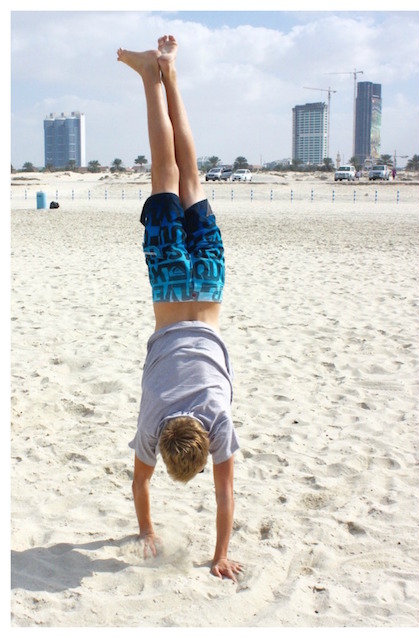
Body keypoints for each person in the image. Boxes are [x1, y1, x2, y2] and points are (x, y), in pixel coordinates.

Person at [119, 36, 243, 582]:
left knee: (191, 179)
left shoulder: (219, 420)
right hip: (171, 290)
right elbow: (140, 484)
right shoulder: (153, 424)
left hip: (208, 289)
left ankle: (172, 73)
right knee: (166, 175)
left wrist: (220, 553)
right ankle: (153, 77)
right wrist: (146, 530)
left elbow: (226, 492)